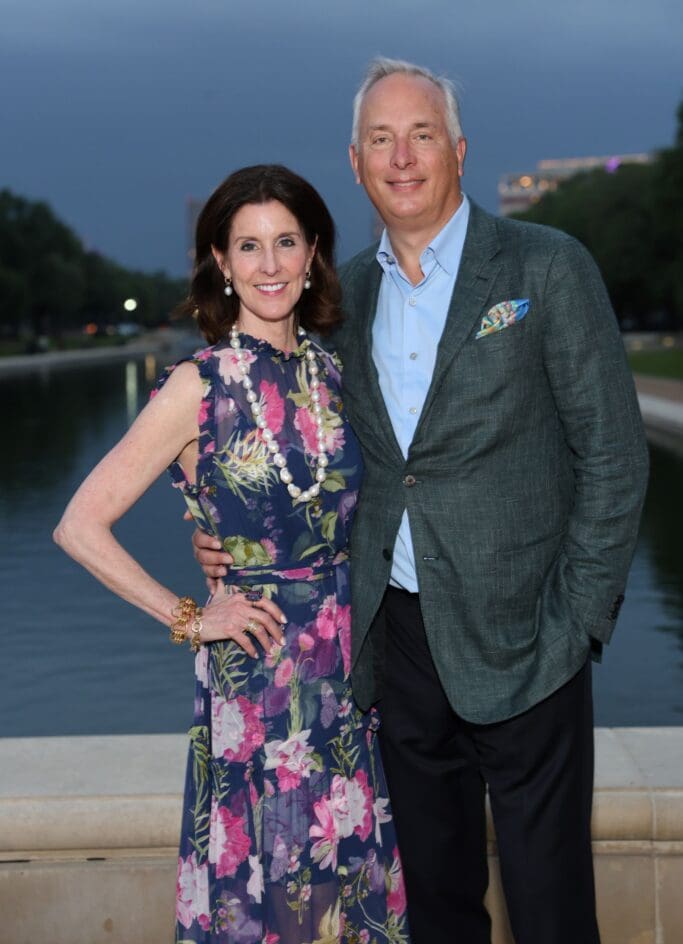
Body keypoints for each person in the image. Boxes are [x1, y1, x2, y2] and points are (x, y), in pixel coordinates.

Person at [193, 60, 650, 944]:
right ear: (356, 164)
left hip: (530, 641)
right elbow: (298, 454)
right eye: (380, 140)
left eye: (422, 134)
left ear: (459, 151)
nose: (401, 157)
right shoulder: (339, 301)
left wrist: (577, 619)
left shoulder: (545, 266)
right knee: (435, 909)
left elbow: (613, 456)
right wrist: (221, 543)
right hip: (397, 652)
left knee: (550, 905)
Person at [54, 164, 410, 944]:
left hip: (349, 672)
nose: (270, 264)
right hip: (258, 678)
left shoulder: (336, 372)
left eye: (286, 242)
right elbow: (80, 525)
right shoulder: (198, 384)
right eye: (248, 246)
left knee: (347, 884)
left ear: (314, 250)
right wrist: (187, 615)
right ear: (220, 261)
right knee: (271, 891)